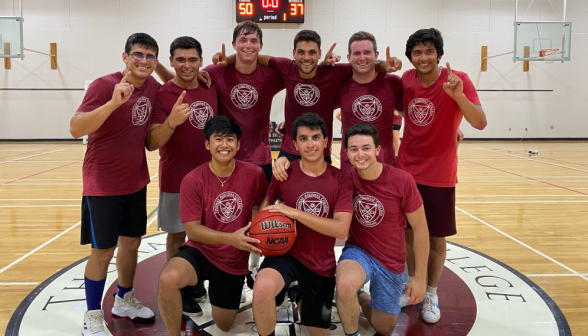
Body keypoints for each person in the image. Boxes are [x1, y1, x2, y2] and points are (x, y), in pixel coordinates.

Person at [70, 33, 161, 336]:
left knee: (131, 244)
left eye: (150, 56)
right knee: (103, 251)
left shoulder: (152, 87)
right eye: (138, 54)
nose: (144, 61)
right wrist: (111, 103)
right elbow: (75, 128)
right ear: (125, 57)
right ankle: (93, 313)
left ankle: (125, 298)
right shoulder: (104, 85)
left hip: (135, 180)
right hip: (103, 185)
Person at [397, 28, 487, 323]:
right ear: (410, 56)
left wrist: (458, 98)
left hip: (439, 173)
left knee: (435, 238)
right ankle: (413, 283)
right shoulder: (406, 80)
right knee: (409, 234)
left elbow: (481, 122)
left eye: (429, 51)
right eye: (417, 52)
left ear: (439, 54)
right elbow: (403, 111)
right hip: (406, 170)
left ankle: (432, 292)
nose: (423, 58)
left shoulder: (456, 80)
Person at [157, 116, 268, 335]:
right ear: (207, 144)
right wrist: (230, 238)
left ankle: (225, 289)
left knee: (224, 325)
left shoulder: (254, 174)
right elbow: (192, 230)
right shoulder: (193, 179)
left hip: (234, 260)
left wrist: (259, 226)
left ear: (238, 144)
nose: (224, 145)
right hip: (202, 250)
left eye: (230, 139)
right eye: (218, 139)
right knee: (168, 278)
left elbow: (263, 204)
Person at [253, 113, 353, 336]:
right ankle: (283, 290)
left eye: (316, 137)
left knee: (318, 332)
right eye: (304, 138)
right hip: (285, 253)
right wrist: (264, 227)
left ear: (326, 141)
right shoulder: (284, 172)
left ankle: (298, 293)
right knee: (261, 290)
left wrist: (294, 212)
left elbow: (341, 229)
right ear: (295, 144)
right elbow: (268, 200)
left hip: (320, 262)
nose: (310, 144)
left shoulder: (341, 178)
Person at [156, 21, 284, 184]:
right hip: (224, 157)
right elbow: (177, 80)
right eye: (243, 41)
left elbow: (298, 80)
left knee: (260, 209)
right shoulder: (215, 72)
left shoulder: (271, 75)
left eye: (253, 41)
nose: (248, 45)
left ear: (261, 45)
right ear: (233, 44)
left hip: (260, 158)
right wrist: (154, 63)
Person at [145, 36, 217, 316]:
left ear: (201, 61)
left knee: (206, 233)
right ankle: (180, 288)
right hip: (176, 177)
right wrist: (172, 122)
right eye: (180, 60)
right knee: (177, 234)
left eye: (192, 60)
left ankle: (196, 279)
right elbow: (152, 142)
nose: (186, 65)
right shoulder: (162, 94)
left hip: (211, 177)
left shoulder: (211, 86)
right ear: (171, 62)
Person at [335, 123, 429, 336]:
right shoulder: (344, 178)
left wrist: (420, 278)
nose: (360, 154)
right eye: (353, 149)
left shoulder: (402, 180)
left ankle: (359, 296)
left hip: (391, 260)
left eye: (366, 148)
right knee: (345, 285)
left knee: (384, 328)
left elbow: (420, 227)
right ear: (347, 152)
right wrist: (284, 159)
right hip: (358, 251)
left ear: (378, 150)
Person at [335, 31, 402, 170]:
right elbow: (318, 107)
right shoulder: (339, 86)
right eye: (356, 53)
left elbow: (412, 115)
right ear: (349, 57)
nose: (362, 57)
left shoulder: (393, 83)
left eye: (367, 52)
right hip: (350, 169)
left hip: (384, 167)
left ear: (376, 55)